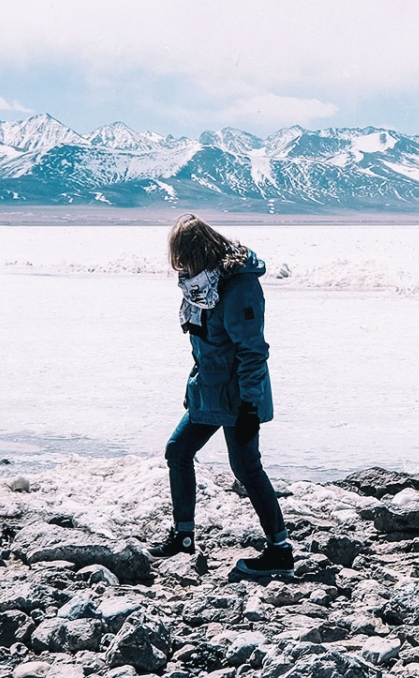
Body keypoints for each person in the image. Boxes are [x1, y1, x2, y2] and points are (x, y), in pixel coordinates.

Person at [148, 213, 293, 577]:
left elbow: (252, 350)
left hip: (238, 396)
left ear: (198, 252)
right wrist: (193, 386)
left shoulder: (238, 287)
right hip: (210, 390)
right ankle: (184, 535)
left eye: (184, 259)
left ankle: (280, 550)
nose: (181, 268)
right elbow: (204, 344)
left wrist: (250, 407)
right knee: (178, 451)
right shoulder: (201, 286)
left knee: (246, 468)